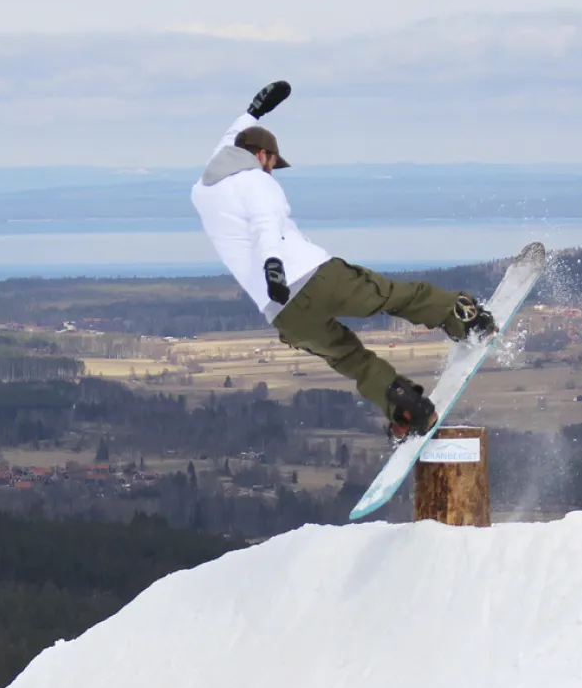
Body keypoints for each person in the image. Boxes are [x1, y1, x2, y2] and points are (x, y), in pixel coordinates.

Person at [190, 80, 497, 440]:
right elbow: (264, 225)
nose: (273, 169)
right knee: (395, 296)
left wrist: (253, 112)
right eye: (273, 162)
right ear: (262, 155)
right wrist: (273, 264)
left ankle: (409, 411)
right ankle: (465, 318)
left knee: (351, 359)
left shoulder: (204, 190)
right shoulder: (257, 183)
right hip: (313, 277)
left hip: (282, 313)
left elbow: (228, 147)